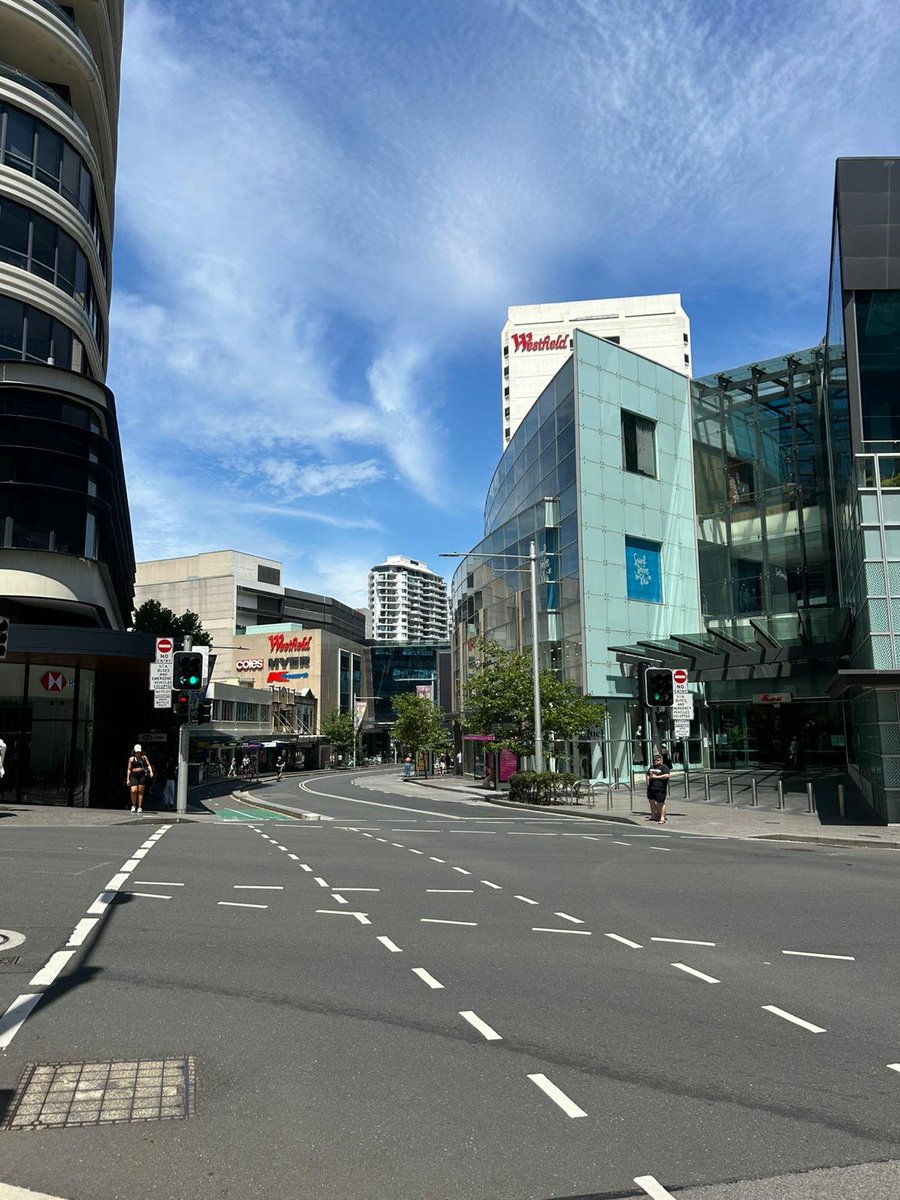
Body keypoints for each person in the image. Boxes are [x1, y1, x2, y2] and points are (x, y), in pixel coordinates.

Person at [125, 743, 153, 814]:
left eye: (139, 752)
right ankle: (134, 805)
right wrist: (128, 779)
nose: (138, 753)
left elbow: (148, 765)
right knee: (133, 790)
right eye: (136, 752)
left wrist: (151, 772)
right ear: (134, 752)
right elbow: (129, 769)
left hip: (142, 775)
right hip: (134, 775)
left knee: (140, 791)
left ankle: (140, 806)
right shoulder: (131, 759)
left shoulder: (144, 757)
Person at [645, 753, 671, 823]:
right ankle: (653, 816)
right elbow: (647, 774)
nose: (656, 761)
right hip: (651, 788)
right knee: (652, 802)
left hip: (660, 789)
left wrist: (657, 777)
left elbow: (667, 775)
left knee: (661, 803)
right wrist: (647, 782)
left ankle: (662, 817)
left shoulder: (664, 767)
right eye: (654, 760)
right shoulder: (651, 767)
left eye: (657, 760)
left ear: (661, 761)